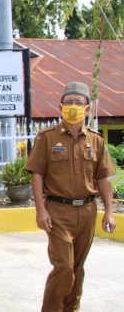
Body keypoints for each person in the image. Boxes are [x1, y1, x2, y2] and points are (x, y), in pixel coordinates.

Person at [24, 81, 116, 312]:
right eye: (68, 103)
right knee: (63, 266)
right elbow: (37, 175)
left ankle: (72, 308)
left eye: (78, 103)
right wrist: (40, 210)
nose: (73, 107)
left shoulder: (96, 140)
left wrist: (109, 212)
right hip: (58, 211)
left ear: (88, 109)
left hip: (87, 211)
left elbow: (104, 178)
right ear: (60, 107)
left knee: (77, 267)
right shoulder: (46, 138)